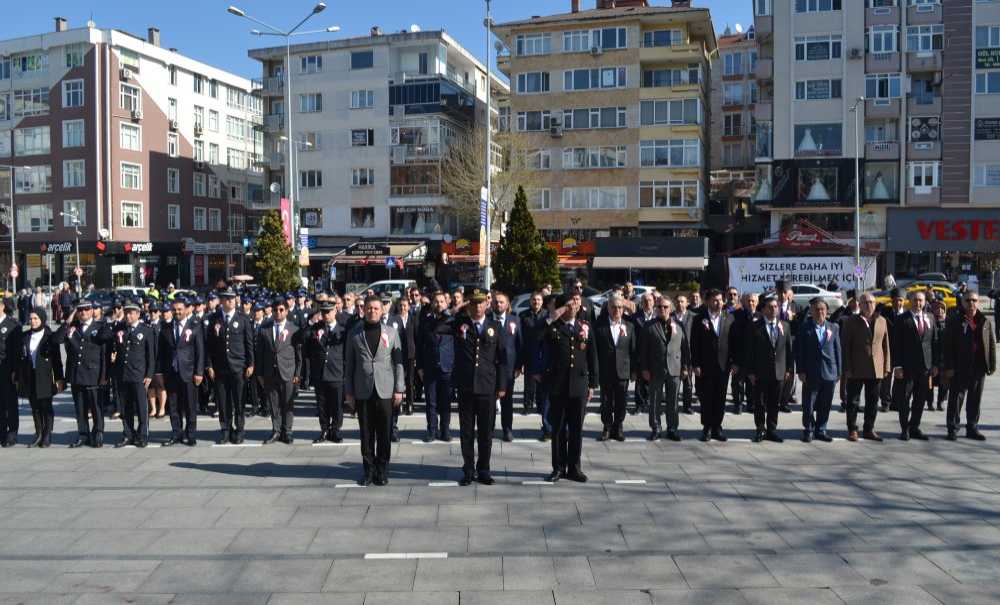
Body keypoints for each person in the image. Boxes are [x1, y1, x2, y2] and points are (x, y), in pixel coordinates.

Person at [345, 296, 405, 486]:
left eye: (376, 308)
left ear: (382, 310)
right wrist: (349, 393)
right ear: (363, 310)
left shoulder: (391, 333)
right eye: (369, 308)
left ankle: (382, 470)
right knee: (366, 435)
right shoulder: (355, 334)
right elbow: (350, 366)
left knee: (385, 434)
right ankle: (368, 471)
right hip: (363, 390)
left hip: (386, 390)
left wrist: (399, 389)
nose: (372, 311)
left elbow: (399, 363)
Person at [453, 290, 507, 486]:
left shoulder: (495, 327)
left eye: (481, 303)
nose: (477, 307)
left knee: (485, 433)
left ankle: (484, 469)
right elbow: (444, 319)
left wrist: (501, 386)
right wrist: (460, 305)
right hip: (466, 387)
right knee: (466, 432)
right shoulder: (460, 325)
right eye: (473, 303)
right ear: (469, 305)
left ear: (487, 304)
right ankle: (468, 470)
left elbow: (502, 359)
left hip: (487, 387)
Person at [542, 294, 597, 483]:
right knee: (557, 430)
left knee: (576, 430)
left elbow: (593, 356)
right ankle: (558, 467)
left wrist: (593, 384)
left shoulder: (585, 326)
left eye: (575, 303)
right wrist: (556, 313)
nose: (573, 306)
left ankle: (574, 468)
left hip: (579, 386)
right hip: (558, 385)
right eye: (569, 304)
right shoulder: (553, 327)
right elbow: (537, 333)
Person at [943, 291, 997, 440]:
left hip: (978, 366)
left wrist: (991, 364)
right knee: (956, 399)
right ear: (962, 302)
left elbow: (991, 343)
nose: (971, 303)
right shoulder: (954, 321)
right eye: (968, 300)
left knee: (975, 399)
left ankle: (972, 427)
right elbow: (947, 346)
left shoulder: (984, 321)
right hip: (959, 367)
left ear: (978, 302)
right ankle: (952, 428)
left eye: (974, 300)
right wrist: (949, 367)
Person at [205, 288, 255, 444]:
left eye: (232, 298)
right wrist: (209, 365)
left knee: (239, 400)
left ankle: (239, 430)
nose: (230, 301)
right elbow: (210, 345)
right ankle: (225, 430)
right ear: (221, 301)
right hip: (220, 367)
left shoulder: (243, 318)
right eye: (227, 298)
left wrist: (251, 363)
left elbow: (249, 343)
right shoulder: (214, 319)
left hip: (238, 366)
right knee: (223, 401)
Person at [840, 292, 890, 442]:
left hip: (876, 368)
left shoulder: (882, 321)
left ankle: (869, 428)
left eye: (872, 302)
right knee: (853, 401)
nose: (869, 305)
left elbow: (886, 346)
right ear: (859, 305)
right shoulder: (851, 321)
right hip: (856, 368)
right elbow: (845, 346)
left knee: (872, 401)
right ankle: (852, 429)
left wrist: (886, 366)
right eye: (865, 302)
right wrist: (846, 368)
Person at [61, 301, 111, 448]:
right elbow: (56, 339)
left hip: (93, 374)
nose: (83, 312)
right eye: (80, 310)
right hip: (77, 374)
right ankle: (83, 434)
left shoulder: (99, 326)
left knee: (96, 407)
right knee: (80, 408)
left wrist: (104, 375)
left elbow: (106, 342)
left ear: (92, 311)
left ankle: (98, 433)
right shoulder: (73, 328)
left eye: (87, 310)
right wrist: (68, 322)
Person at [891, 290, 939, 441]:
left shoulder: (930, 318)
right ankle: (904, 429)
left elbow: (935, 342)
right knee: (904, 399)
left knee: (920, 399)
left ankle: (914, 427)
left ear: (925, 302)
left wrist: (935, 364)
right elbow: (896, 344)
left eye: (921, 300)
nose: (918, 303)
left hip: (925, 368)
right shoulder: (901, 319)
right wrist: (897, 366)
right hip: (906, 368)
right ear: (909, 301)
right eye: (915, 300)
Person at [640, 296, 689, 442]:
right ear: (656, 308)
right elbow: (643, 350)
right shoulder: (649, 326)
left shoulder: (679, 325)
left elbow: (685, 349)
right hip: (656, 369)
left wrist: (685, 367)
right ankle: (656, 428)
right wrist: (644, 369)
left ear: (671, 309)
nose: (662, 309)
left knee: (673, 401)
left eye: (666, 307)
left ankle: (672, 428)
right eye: (660, 307)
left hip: (674, 368)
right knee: (654, 400)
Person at [690, 289, 736, 442]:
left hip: (723, 366)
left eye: (720, 300)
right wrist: (695, 364)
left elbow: (734, 342)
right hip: (705, 366)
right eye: (715, 300)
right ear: (708, 301)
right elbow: (694, 343)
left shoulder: (729, 318)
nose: (719, 303)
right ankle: (707, 427)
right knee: (706, 397)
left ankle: (717, 427)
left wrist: (734, 363)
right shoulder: (699, 319)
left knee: (720, 398)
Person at [794, 298, 841, 443]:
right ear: (811, 312)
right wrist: (800, 370)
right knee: (808, 405)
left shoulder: (833, 327)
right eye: (816, 309)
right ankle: (808, 430)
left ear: (827, 312)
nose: (820, 312)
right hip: (810, 372)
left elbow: (837, 350)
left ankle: (821, 429)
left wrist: (839, 371)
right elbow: (799, 351)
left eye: (822, 309)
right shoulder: (804, 328)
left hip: (829, 372)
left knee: (825, 404)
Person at [159, 297, 204, 447]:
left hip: (189, 372)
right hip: (171, 372)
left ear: (186, 310)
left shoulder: (195, 326)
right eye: (175, 309)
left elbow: (200, 351)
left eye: (180, 309)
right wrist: (162, 373)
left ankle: (191, 434)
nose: (177, 312)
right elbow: (163, 352)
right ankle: (176, 433)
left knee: (190, 405)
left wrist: (199, 372)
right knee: (173, 406)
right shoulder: (165, 327)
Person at [746, 296, 792, 443]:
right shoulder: (755, 326)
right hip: (760, 372)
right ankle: (760, 429)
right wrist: (751, 372)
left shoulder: (784, 326)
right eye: (770, 307)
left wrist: (789, 369)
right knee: (759, 403)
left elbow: (789, 350)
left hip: (778, 372)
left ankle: (772, 430)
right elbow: (749, 350)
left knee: (774, 403)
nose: (773, 310)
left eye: (775, 307)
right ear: (764, 309)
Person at [112, 301, 156, 448]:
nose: (128, 316)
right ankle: (128, 434)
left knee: (142, 408)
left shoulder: (146, 330)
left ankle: (143, 435)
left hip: (139, 374)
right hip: (123, 374)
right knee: (125, 407)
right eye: (127, 313)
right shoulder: (120, 328)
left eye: (131, 313)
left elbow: (151, 355)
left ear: (138, 314)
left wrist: (149, 374)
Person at [17, 308, 64, 448]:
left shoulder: (50, 336)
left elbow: (57, 360)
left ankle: (47, 433)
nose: (33, 321)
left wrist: (59, 378)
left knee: (46, 406)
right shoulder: (25, 336)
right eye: (31, 319)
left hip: (45, 376)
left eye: (36, 318)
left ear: (42, 319)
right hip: (29, 376)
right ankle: (38, 433)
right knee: (35, 407)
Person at [257, 298, 301, 444]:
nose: (278, 313)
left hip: (287, 371)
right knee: (274, 403)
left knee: (287, 404)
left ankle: (287, 431)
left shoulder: (294, 329)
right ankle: (276, 431)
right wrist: (260, 374)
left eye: (281, 310)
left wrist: (297, 374)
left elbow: (298, 354)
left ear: (286, 311)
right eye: (275, 310)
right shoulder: (264, 329)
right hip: (270, 372)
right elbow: (260, 353)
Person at [594, 294, 636, 442]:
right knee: (605, 401)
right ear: (608, 308)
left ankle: (618, 427)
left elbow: (633, 350)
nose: (617, 310)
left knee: (621, 401)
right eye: (614, 307)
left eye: (620, 307)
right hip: (605, 371)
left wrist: (633, 371)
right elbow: (596, 351)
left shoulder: (629, 326)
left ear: (623, 309)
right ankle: (607, 426)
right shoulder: (600, 326)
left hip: (623, 371)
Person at [305, 301, 348, 443]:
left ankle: (335, 431)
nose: (326, 314)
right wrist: (310, 323)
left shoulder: (342, 330)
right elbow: (303, 341)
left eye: (329, 311)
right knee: (322, 405)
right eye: (323, 312)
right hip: (320, 373)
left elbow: (346, 353)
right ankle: (324, 430)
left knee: (337, 406)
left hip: (336, 372)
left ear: (335, 311)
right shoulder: (315, 328)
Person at [416, 292, 455, 443]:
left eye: (442, 301)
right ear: (432, 304)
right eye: (436, 302)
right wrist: (419, 366)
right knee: (431, 401)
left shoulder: (452, 321)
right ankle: (432, 430)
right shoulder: (426, 322)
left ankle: (445, 430)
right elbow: (420, 345)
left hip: (447, 366)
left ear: (446, 303)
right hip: (430, 366)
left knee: (445, 401)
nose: (439, 304)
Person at [490, 291, 521, 442]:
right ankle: (488, 429)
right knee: (488, 401)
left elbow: (519, 345)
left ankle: (507, 429)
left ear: (507, 304)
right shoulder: (487, 320)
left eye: (501, 302)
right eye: (496, 302)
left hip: (508, 368)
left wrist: (519, 366)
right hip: (489, 369)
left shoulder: (514, 320)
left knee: (507, 402)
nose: (498, 304)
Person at [519, 292, 549, 436]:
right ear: (530, 301)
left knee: (542, 381)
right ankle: (527, 404)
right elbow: (521, 335)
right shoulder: (524, 316)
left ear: (542, 302)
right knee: (529, 380)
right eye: (534, 300)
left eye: (538, 300)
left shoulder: (546, 315)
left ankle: (540, 405)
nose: (536, 302)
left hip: (543, 351)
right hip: (529, 350)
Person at [729, 292, 758, 415]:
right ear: (743, 302)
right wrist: (733, 360)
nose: (750, 303)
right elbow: (732, 338)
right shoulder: (735, 315)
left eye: (753, 301)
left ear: (757, 302)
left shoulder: (761, 316)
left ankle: (751, 403)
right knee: (738, 383)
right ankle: (738, 404)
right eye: (748, 301)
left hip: (755, 357)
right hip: (739, 356)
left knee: (752, 382)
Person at [880, 288, 908, 412]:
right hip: (887, 350)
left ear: (904, 301)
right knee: (886, 378)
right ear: (891, 301)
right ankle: (885, 402)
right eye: (895, 300)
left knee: (900, 378)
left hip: (902, 351)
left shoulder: (908, 314)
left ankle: (896, 402)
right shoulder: (885, 313)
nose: (898, 303)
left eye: (900, 300)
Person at [632, 292, 657, 415]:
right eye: (645, 301)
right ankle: (640, 404)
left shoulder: (659, 316)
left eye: (650, 300)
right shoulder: (635, 317)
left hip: (655, 355)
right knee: (640, 381)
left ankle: (651, 403)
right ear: (641, 303)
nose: (648, 303)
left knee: (653, 381)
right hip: (641, 353)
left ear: (654, 301)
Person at [0, 299, 20, 447]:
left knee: (9, 403)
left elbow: (16, 352)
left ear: (2, 307)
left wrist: (15, 371)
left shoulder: (12, 325)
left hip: (7, 370)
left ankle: (12, 432)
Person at [673, 294, 695, 414]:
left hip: (688, 354)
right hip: (674, 355)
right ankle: (673, 405)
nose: (680, 304)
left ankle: (687, 406)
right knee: (674, 383)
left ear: (687, 303)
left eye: (682, 301)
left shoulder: (693, 317)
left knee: (688, 383)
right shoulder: (670, 316)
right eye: (678, 301)